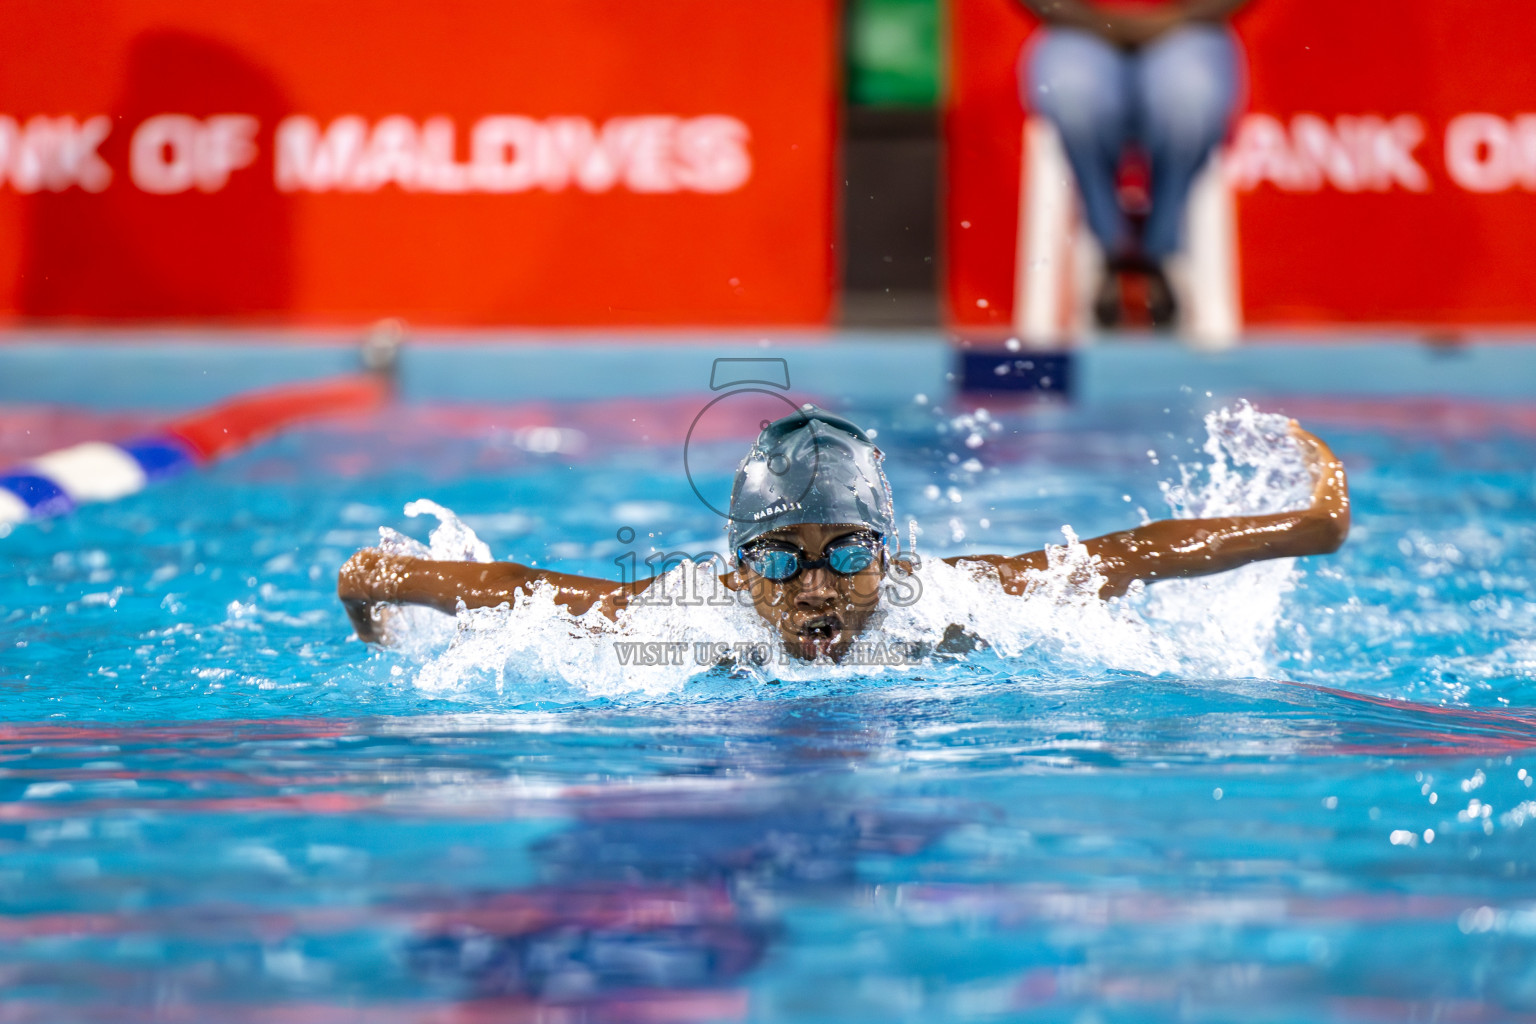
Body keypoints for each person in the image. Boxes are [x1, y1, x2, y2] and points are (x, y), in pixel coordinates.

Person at [338, 408, 1350, 664]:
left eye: (848, 553)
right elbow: (511, 588)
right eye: (782, 557)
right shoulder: (683, 617)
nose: (816, 588)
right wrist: (373, 584)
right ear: (741, 569)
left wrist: (1305, 525)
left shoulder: (947, 602)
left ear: (891, 555)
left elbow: (1128, 556)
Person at [1019, 0, 1250, 327]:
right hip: (1077, 26)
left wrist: (1171, 20)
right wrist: (1101, 22)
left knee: (1190, 99)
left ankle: (1159, 249)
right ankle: (1113, 247)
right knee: (1074, 95)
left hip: (1189, 26)